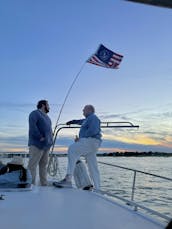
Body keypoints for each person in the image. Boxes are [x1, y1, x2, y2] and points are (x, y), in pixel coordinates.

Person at [53, 104, 102, 190]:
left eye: (84, 109)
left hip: (91, 141)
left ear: (89, 110)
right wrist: (71, 122)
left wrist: (81, 139)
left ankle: (68, 179)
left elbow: (94, 130)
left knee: (72, 149)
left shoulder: (93, 118)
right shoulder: (87, 119)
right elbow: (79, 121)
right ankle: (98, 189)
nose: (82, 111)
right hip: (92, 143)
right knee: (92, 166)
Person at [28, 100, 53, 186]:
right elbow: (32, 126)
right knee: (32, 165)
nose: (49, 107)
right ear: (43, 105)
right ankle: (30, 185)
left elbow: (48, 130)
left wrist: (50, 138)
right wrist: (39, 136)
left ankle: (44, 184)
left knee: (43, 166)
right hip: (36, 144)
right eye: (48, 105)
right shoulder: (35, 113)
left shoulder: (48, 118)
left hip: (46, 146)